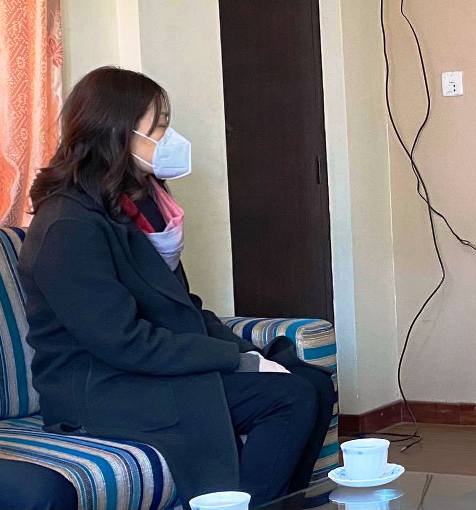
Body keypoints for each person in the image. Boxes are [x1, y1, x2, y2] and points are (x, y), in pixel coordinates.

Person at [14, 66, 336, 507]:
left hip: (142, 370)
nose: (170, 138)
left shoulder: (131, 208)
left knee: (312, 382)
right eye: (159, 127)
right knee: (289, 397)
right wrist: (234, 360)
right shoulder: (67, 227)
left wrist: (251, 355)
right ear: (117, 132)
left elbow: (183, 308)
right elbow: (122, 342)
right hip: (101, 386)